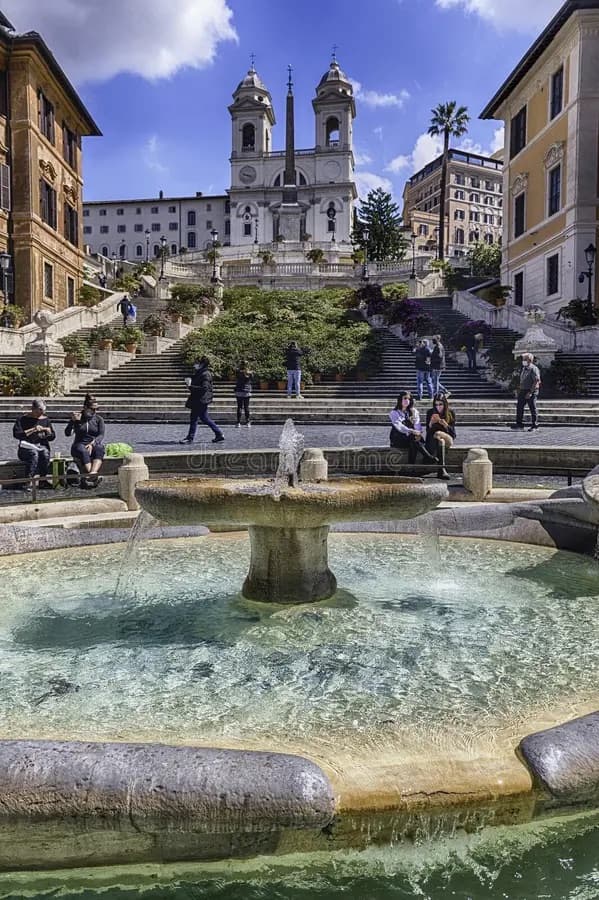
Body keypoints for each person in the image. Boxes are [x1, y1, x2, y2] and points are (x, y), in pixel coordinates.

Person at [180, 356, 225, 444]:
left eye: (197, 363)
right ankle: (219, 434)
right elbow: (196, 380)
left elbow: (204, 388)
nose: (195, 364)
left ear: (202, 364)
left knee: (194, 418)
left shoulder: (205, 374)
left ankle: (190, 438)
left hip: (201, 399)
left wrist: (190, 386)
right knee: (204, 418)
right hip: (199, 399)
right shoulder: (201, 372)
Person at [13, 398, 56, 491]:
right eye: (38, 412)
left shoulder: (46, 420)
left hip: (41, 446)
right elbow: (17, 434)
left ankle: (42, 480)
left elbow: (52, 437)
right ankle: (28, 481)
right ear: (33, 409)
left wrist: (48, 432)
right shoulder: (22, 419)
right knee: (34, 454)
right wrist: (33, 429)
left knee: (45, 453)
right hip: (26, 447)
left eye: (42, 412)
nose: (40, 415)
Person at [65, 393, 106, 489]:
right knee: (82, 450)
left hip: (92, 443)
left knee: (99, 448)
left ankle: (92, 474)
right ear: (85, 408)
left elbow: (101, 434)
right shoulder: (78, 417)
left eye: (96, 409)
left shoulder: (98, 419)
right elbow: (67, 433)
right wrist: (73, 422)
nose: (94, 411)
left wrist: (93, 443)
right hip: (79, 443)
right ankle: (93, 477)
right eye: (92, 409)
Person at [389, 391, 437, 467]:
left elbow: (417, 424)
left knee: (413, 441)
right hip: (398, 438)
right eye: (405, 398)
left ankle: (411, 466)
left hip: (411, 438)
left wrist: (418, 433)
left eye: (409, 399)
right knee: (413, 439)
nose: (406, 401)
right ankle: (428, 457)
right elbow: (399, 426)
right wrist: (411, 431)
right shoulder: (394, 413)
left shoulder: (414, 411)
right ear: (400, 400)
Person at [425, 394, 456, 481]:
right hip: (434, 441)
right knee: (440, 440)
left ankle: (437, 464)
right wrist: (431, 423)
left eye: (440, 404)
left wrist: (446, 425)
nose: (438, 407)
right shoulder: (430, 412)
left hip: (448, 439)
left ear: (445, 404)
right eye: (436, 404)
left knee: (438, 434)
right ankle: (441, 469)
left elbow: (453, 434)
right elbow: (428, 432)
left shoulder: (450, 413)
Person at [512, 352, 541, 431]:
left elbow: (536, 381)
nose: (523, 360)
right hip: (523, 390)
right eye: (523, 359)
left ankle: (535, 425)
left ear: (530, 360)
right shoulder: (524, 368)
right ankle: (519, 425)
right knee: (519, 407)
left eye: (525, 359)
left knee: (532, 407)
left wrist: (531, 392)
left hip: (531, 390)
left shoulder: (533, 368)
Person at [234, 361, 252, 427]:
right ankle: (248, 422)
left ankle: (238, 422)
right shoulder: (249, 373)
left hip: (239, 390)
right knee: (246, 407)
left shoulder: (238, 372)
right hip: (247, 391)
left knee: (239, 407)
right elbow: (251, 379)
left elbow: (236, 374)